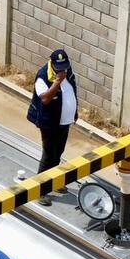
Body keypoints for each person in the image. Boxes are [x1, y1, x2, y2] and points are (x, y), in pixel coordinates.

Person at [26, 48, 79, 206]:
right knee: (49, 155)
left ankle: (54, 181)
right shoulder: (43, 76)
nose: (62, 70)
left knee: (58, 152)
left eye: (64, 66)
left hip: (64, 122)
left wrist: (74, 110)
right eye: (59, 67)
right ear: (52, 63)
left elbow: (72, 92)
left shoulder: (67, 72)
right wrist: (57, 81)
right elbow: (45, 98)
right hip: (49, 123)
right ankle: (40, 189)